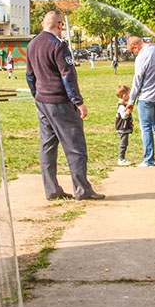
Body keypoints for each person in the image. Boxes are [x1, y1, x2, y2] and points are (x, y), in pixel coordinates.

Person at [26, 11, 105, 201]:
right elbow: (68, 76)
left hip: (42, 101)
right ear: (60, 25)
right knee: (75, 145)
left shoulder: (32, 44)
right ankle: (82, 190)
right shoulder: (59, 46)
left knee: (47, 146)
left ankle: (52, 190)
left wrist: (36, 95)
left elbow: (30, 76)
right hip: (59, 101)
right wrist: (78, 102)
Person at [126, 36, 155, 167]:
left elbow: (138, 79)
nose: (134, 54)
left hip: (146, 97)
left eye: (132, 51)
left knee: (146, 127)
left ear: (136, 46)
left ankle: (148, 159)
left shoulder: (142, 56)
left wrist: (131, 100)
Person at [115, 84, 134, 166]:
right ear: (124, 95)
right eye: (129, 94)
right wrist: (128, 111)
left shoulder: (123, 105)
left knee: (125, 143)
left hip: (125, 127)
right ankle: (121, 158)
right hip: (122, 128)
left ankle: (122, 158)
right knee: (123, 143)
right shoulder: (121, 106)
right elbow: (124, 116)